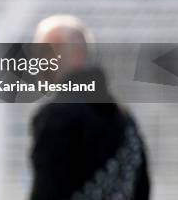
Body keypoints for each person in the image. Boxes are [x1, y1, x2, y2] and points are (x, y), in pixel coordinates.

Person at [29, 15, 150, 200]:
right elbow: (141, 188)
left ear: (78, 55)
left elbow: (46, 191)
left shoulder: (56, 116)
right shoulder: (125, 120)